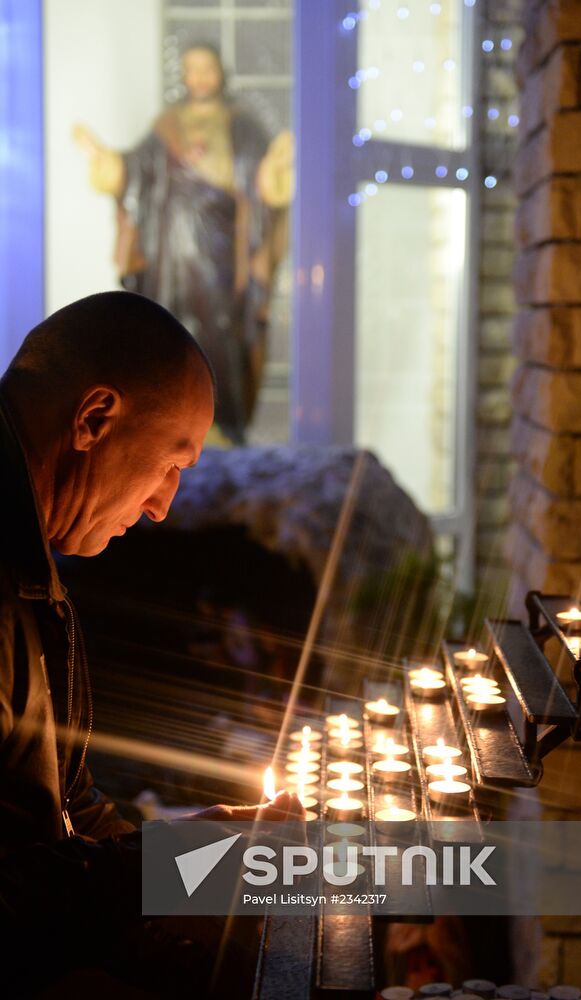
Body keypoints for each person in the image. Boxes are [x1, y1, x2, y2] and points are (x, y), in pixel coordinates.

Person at [0, 291, 301, 992]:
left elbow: (65, 812)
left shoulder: (32, 558)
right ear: (95, 418)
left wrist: (198, 847)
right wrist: (174, 864)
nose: (163, 506)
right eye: (171, 462)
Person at [74, 44, 293, 444]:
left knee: (220, 327)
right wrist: (109, 161)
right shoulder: (167, 125)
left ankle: (222, 419)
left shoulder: (242, 125)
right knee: (171, 326)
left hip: (220, 246)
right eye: (192, 69)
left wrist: (273, 169)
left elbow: (260, 181)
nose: (200, 77)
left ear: (220, 73)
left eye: (206, 68)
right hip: (170, 248)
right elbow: (136, 170)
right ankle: (171, 417)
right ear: (185, 76)